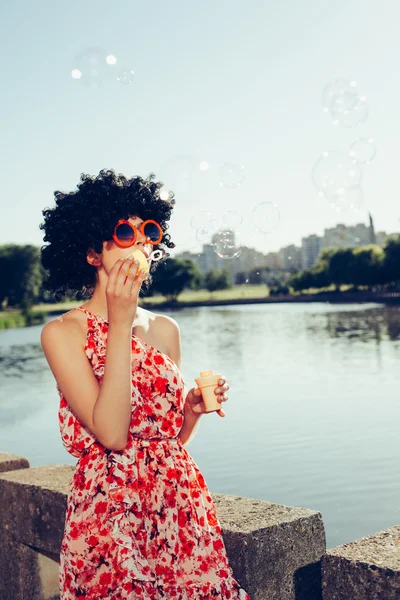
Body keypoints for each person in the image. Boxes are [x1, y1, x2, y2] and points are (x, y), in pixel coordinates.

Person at [39, 169, 252, 600]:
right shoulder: (62, 333)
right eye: (123, 233)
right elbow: (114, 435)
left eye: (148, 232)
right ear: (91, 253)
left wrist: (190, 410)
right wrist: (119, 323)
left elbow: (166, 441)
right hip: (109, 515)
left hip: (178, 505)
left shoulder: (166, 329)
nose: (140, 243)